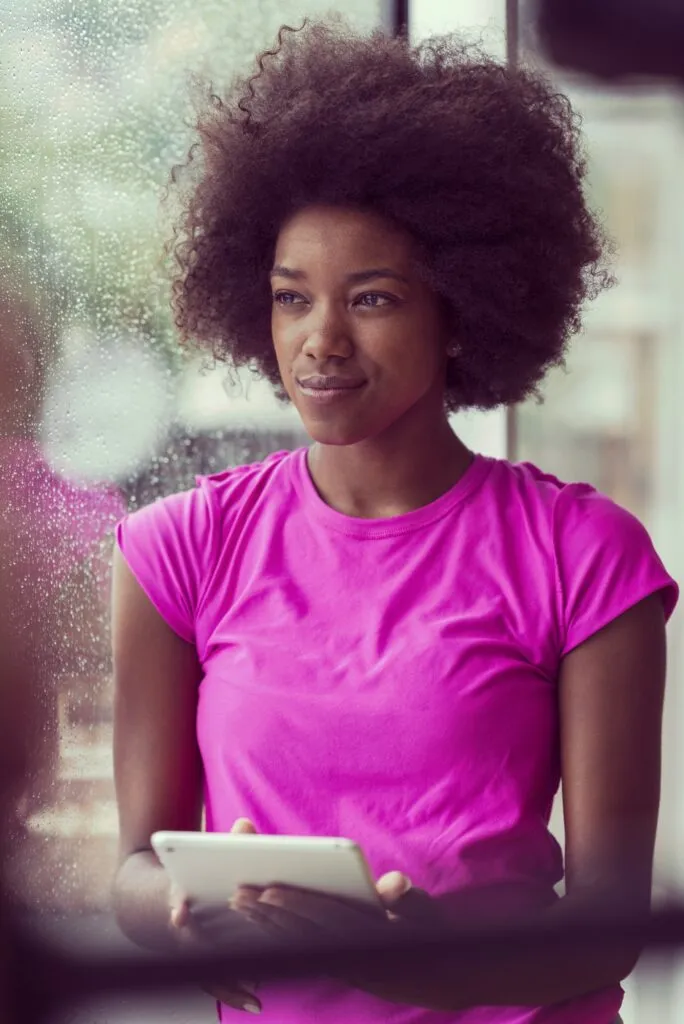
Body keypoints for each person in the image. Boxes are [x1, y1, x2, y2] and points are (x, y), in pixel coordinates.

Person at [111, 18, 678, 1024]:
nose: (319, 341)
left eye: (371, 298)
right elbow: (134, 871)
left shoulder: (584, 557)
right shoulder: (178, 552)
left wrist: (418, 966)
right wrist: (184, 915)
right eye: (292, 299)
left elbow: (608, 923)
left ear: (460, 309)